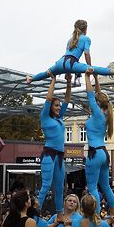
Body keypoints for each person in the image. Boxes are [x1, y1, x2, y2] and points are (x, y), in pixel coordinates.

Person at [26, 20, 114, 84]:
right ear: (85, 29)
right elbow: (87, 54)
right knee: (96, 69)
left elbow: (67, 57)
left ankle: (31, 78)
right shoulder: (86, 39)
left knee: (47, 73)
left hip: (60, 62)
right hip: (72, 63)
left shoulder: (70, 40)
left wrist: (67, 73)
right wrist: (90, 68)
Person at [83, 68, 114, 216]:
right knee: (106, 186)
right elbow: (97, 95)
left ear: (98, 103)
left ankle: (96, 216)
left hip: (94, 153)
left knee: (92, 188)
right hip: (103, 153)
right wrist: (96, 79)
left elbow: (91, 96)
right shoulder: (104, 113)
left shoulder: (97, 113)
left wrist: (86, 77)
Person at [38, 75, 72, 214]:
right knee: (46, 185)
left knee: (59, 188)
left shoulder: (60, 118)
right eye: (56, 105)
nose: (59, 108)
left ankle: (59, 214)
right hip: (49, 154)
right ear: (50, 107)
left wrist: (69, 83)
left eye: (59, 106)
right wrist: (53, 80)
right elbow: (47, 99)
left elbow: (67, 100)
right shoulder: (45, 117)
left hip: (59, 155)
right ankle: (36, 213)